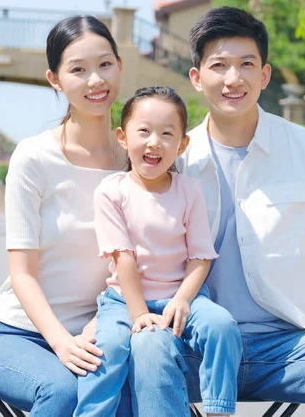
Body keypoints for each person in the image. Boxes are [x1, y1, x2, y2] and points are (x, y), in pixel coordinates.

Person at [129, 7, 305, 417]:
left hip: (288, 347)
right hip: (195, 345)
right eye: (219, 65)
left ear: (264, 75)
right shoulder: (172, 158)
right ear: (197, 78)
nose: (233, 79)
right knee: (146, 347)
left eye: (246, 65)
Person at [0, 15, 132, 416]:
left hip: (103, 333)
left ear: (120, 66)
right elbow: (22, 272)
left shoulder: (138, 159)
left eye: (104, 64)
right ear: (55, 79)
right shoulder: (34, 156)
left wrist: (100, 330)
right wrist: (61, 342)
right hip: (19, 334)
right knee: (63, 392)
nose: (95, 80)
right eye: (78, 69)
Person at [75, 86, 242, 417]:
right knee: (106, 349)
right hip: (124, 300)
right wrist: (139, 315)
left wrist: (182, 299)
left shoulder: (189, 191)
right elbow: (124, 259)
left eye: (167, 134)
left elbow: (200, 256)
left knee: (223, 326)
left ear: (181, 145)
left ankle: (219, 410)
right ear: (123, 137)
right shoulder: (112, 192)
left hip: (183, 296)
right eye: (144, 131)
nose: (154, 142)